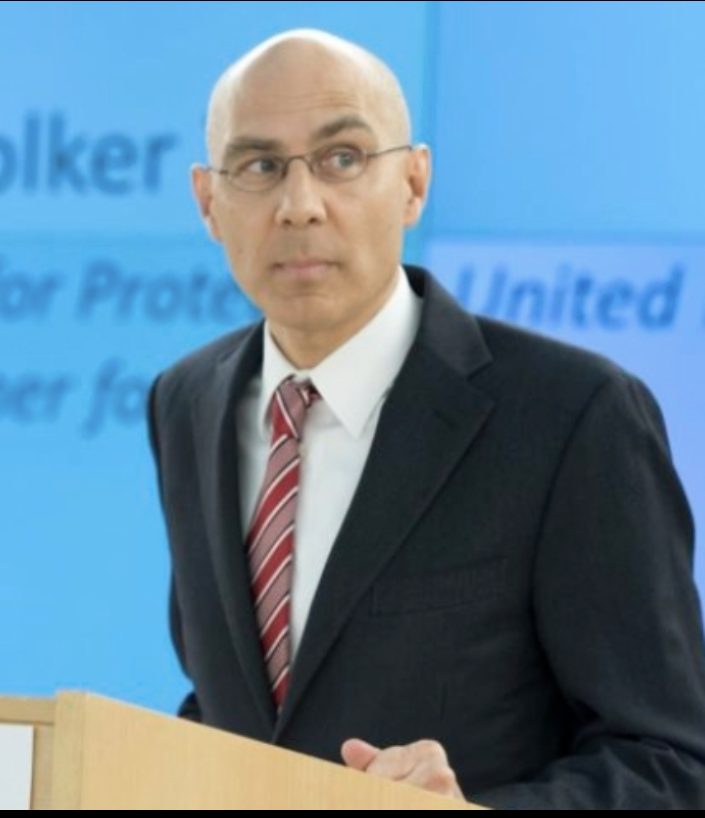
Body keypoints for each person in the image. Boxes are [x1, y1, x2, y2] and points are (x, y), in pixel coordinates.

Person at [146, 28, 705, 809]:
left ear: (413, 184)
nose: (299, 206)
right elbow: (234, 707)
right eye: (261, 167)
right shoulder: (186, 402)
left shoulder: (574, 416)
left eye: (342, 158)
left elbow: (671, 765)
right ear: (209, 201)